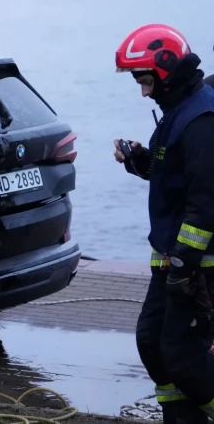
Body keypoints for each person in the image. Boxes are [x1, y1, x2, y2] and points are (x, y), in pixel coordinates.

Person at [113, 23, 214, 423]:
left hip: (197, 265)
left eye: (145, 82)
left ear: (167, 72)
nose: (144, 92)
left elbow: (205, 203)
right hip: (173, 261)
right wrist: (137, 159)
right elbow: (170, 172)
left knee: (184, 357)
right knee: (152, 343)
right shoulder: (180, 112)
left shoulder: (202, 120)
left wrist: (185, 265)